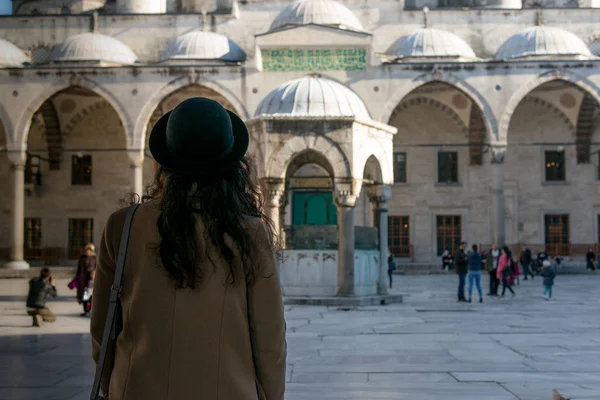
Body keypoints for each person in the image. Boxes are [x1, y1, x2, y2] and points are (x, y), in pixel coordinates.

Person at [91, 98, 286, 400]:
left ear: (166, 162)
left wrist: (118, 386)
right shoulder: (249, 233)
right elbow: (269, 343)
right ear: (231, 166)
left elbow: (102, 331)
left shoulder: (123, 226)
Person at [70, 243, 97, 316]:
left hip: (92, 278)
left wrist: (95, 275)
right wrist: (77, 277)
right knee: (84, 295)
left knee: (92, 296)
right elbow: (79, 268)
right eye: (87, 249)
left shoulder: (95, 258)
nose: (88, 251)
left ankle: (92, 310)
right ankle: (86, 310)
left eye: (90, 250)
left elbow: (97, 268)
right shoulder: (82, 257)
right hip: (83, 278)